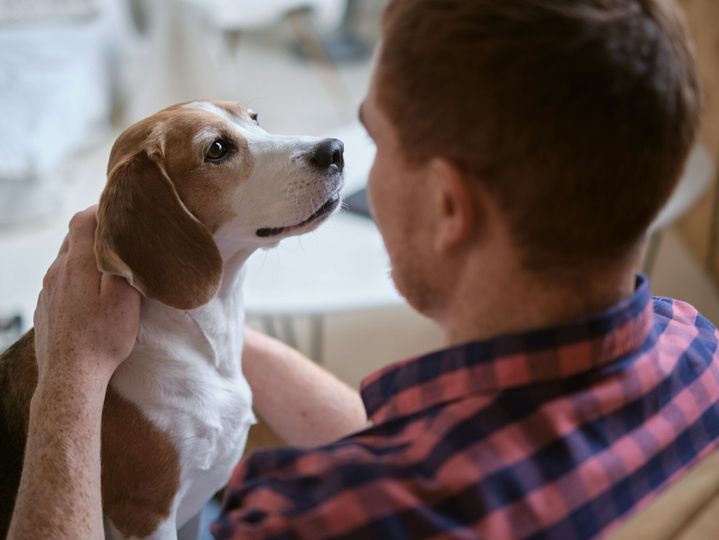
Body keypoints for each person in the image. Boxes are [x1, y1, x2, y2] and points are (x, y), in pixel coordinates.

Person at [8, 0, 719, 538]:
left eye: (376, 140)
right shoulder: (699, 354)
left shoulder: (314, 514)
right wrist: (190, 319)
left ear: (446, 205)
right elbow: (416, 442)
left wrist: (70, 372)